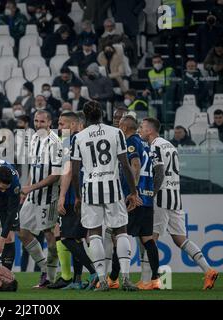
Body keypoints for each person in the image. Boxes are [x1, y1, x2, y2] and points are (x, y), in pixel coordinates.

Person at [139, 117, 219, 290]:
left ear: (150, 130)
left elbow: (159, 171)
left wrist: (151, 193)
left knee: (149, 237)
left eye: (143, 127)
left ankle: (147, 281)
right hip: (175, 196)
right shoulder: (170, 145)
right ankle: (208, 270)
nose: (140, 130)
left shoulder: (155, 146)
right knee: (180, 239)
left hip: (161, 197)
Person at [70, 100, 142, 291]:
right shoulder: (115, 132)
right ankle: (125, 279)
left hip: (91, 188)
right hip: (113, 187)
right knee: (121, 230)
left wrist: (77, 196)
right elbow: (125, 165)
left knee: (94, 233)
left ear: (85, 117)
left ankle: (102, 281)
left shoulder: (79, 137)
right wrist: (133, 192)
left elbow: (75, 172)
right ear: (102, 114)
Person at [50, 112, 98, 290]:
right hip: (90, 193)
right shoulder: (90, 138)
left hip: (74, 196)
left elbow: (68, 171)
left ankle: (95, 273)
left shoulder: (70, 140)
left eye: (62, 124)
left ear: (72, 125)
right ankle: (77, 280)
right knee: (78, 238)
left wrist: (62, 197)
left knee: (67, 239)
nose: (59, 127)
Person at [18, 110, 63, 288]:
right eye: (36, 121)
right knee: (22, 231)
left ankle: (50, 277)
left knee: (50, 238)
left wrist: (32, 187)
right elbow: (34, 168)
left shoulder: (56, 143)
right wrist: (27, 190)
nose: (38, 124)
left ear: (49, 122)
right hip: (33, 196)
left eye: (42, 121)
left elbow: (56, 175)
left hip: (48, 197)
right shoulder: (35, 139)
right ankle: (45, 268)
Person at [117, 115, 161, 290]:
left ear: (125, 128)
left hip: (137, 197)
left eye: (120, 126)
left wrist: (133, 192)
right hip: (148, 197)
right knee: (148, 239)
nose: (118, 129)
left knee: (121, 235)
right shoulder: (146, 144)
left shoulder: (131, 142)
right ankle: (156, 279)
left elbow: (135, 165)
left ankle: (113, 278)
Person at [160, 0, 192, 68]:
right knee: (170, 50)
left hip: (181, 29)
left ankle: (186, 68)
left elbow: (188, 12)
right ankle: (173, 69)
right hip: (169, 29)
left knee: (181, 49)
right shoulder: (165, 1)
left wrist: (186, 25)